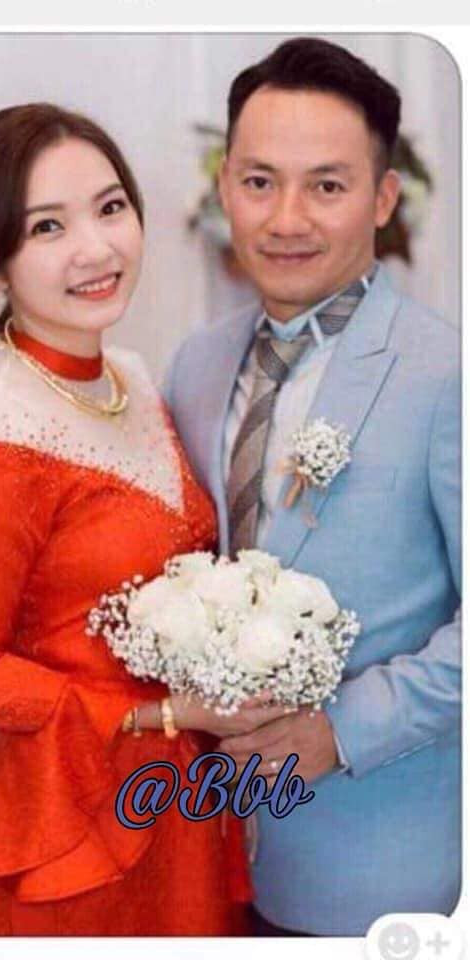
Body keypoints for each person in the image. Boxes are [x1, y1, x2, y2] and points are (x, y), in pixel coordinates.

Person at [0, 102, 279, 936]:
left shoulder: (131, 379)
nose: (96, 248)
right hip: (71, 833)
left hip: (178, 805)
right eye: (47, 226)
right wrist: (160, 714)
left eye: (110, 207)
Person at [164, 37, 461, 936]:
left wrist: (340, 731)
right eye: (260, 182)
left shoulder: (446, 372)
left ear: (383, 199)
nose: (286, 218)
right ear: (226, 189)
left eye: (326, 186)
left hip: (381, 872)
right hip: (206, 853)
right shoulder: (196, 365)